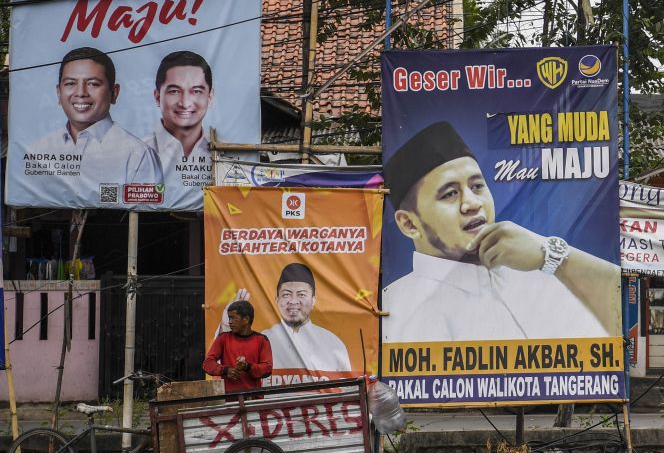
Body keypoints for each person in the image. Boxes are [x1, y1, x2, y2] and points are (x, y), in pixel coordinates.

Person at [380, 121, 618, 342]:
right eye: (450, 193)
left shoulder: (537, 272)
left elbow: (616, 329)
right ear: (409, 224)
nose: (473, 203)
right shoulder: (398, 308)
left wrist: (552, 256)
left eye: (477, 186)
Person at [25, 47, 162, 205]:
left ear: (114, 93)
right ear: (58, 92)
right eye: (70, 83)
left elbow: (147, 211)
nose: (81, 93)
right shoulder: (38, 149)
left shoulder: (137, 155)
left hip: (115, 228)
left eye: (93, 84)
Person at [201, 299, 272, 453]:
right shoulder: (223, 339)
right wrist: (225, 370)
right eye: (229, 318)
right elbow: (208, 363)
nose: (230, 322)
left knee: (253, 447)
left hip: (252, 403)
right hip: (228, 403)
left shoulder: (261, 340)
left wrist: (248, 367)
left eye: (233, 318)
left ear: (246, 319)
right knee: (224, 446)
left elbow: (267, 368)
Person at [260, 263, 353, 375]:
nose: (293, 301)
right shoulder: (263, 340)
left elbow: (348, 388)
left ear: (313, 300)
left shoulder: (333, 343)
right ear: (276, 299)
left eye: (301, 295)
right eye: (286, 295)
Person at [143, 50, 213, 198]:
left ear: (210, 96)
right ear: (157, 96)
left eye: (196, 91)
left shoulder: (222, 152)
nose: (185, 103)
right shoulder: (138, 153)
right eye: (174, 91)